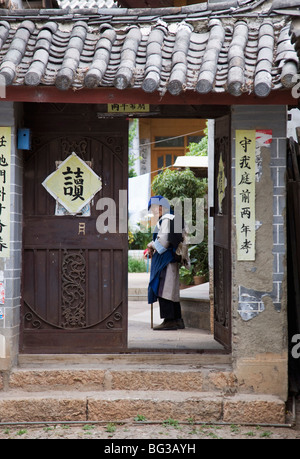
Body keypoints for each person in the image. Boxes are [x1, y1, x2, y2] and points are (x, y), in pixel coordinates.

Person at [145, 195, 189, 331]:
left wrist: (150, 245)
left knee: (163, 289)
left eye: (153, 208)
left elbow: (163, 243)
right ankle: (177, 320)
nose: (152, 212)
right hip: (172, 259)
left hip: (165, 261)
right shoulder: (175, 217)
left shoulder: (166, 219)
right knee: (172, 290)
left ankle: (169, 320)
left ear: (160, 207)